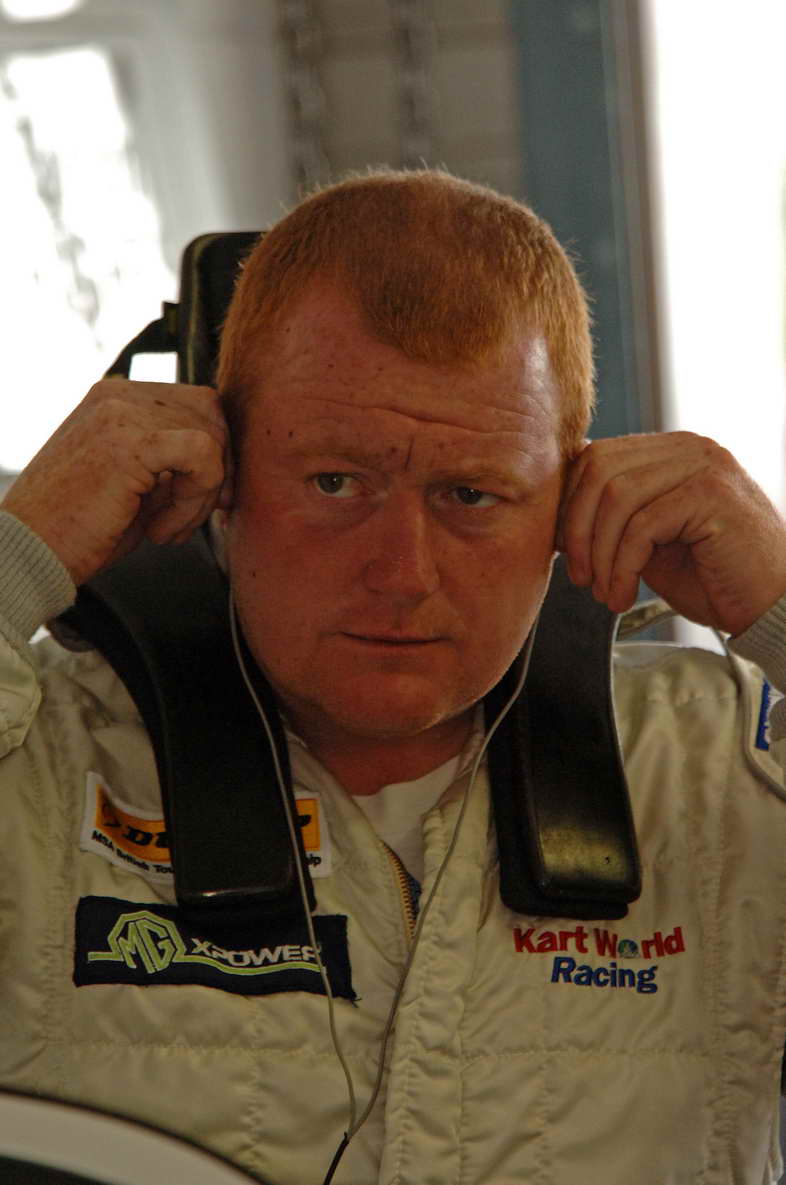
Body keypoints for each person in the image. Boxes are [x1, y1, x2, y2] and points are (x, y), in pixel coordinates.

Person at [1, 168, 786, 1185]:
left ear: (569, 501)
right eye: (336, 482)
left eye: (472, 494)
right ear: (218, 474)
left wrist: (781, 601)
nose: (402, 572)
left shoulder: (721, 774)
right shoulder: (40, 769)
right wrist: (17, 555)